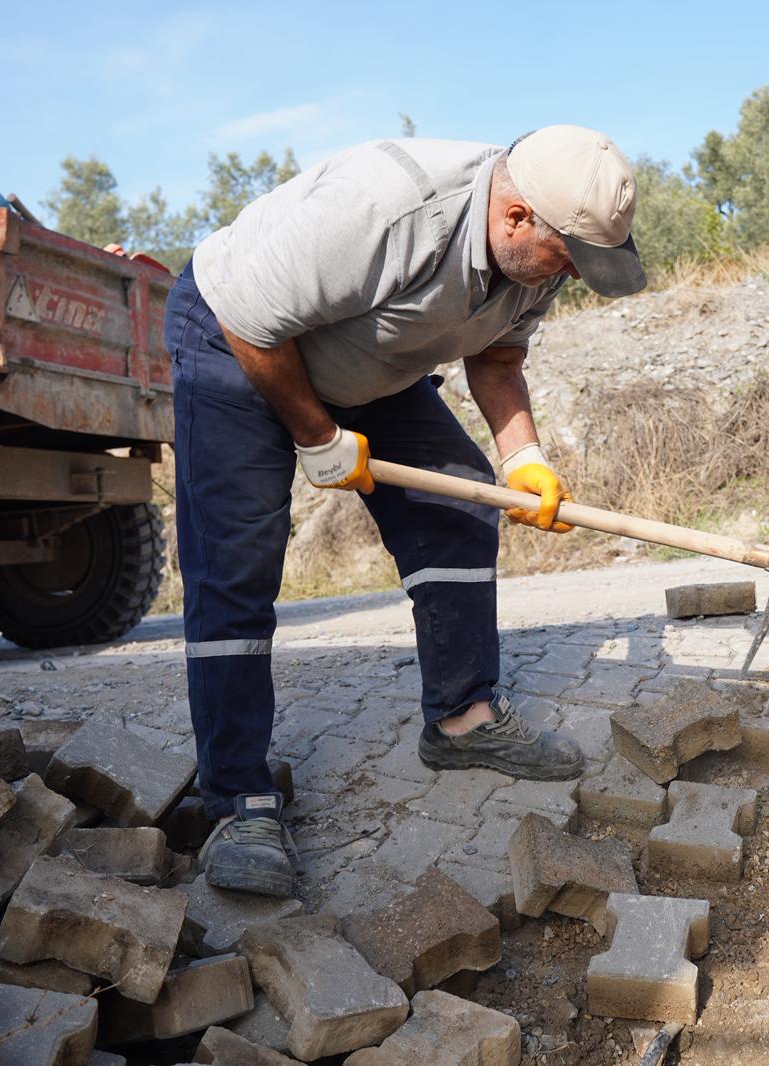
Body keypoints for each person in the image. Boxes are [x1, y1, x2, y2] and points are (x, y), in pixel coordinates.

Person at [163, 126, 646, 897]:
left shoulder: (539, 256)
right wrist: (317, 437)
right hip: (236, 340)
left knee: (457, 506)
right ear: (517, 217)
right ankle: (237, 800)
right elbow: (250, 321)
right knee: (237, 564)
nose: (572, 278)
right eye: (568, 259)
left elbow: (496, 355)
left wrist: (524, 455)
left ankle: (462, 722)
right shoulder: (388, 209)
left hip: (366, 361)